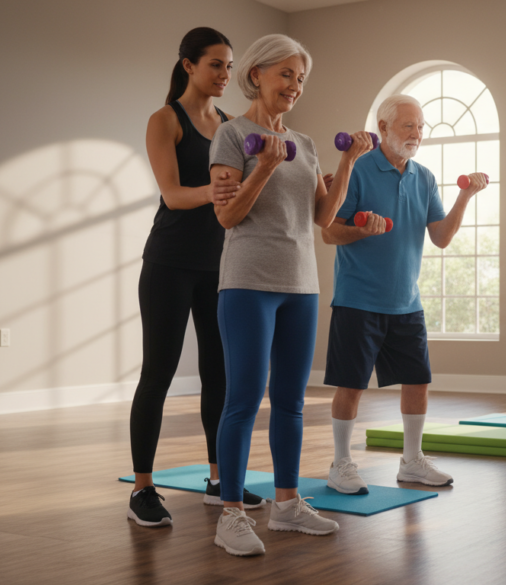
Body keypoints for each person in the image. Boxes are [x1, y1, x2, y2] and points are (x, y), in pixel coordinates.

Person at [208, 33, 372, 556]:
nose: (295, 86)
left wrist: (349, 163)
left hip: (301, 284)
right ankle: (231, 514)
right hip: (247, 282)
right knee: (243, 398)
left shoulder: (305, 143)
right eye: (286, 74)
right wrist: (264, 167)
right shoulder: (232, 135)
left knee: (291, 402)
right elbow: (228, 216)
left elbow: (323, 217)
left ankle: (286, 504)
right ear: (256, 74)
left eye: (300, 78)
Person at [129, 27, 265, 528]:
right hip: (168, 263)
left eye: (229, 66)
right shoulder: (166, 120)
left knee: (219, 375)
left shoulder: (230, 125)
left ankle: (218, 480)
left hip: (221, 264)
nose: (225, 74)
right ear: (188, 65)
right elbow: (172, 194)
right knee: (158, 374)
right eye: (215, 64)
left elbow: (248, 193)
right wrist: (216, 190)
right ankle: (143, 488)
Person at [320, 95, 488, 496]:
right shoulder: (357, 169)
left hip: (406, 302)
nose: (417, 134)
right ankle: (340, 464)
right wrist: (361, 230)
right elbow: (329, 232)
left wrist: (465, 196)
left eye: (421, 127)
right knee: (351, 385)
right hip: (358, 299)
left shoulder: (424, 177)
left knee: (417, 382)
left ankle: (412, 461)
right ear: (383, 128)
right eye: (408, 126)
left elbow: (441, 237)